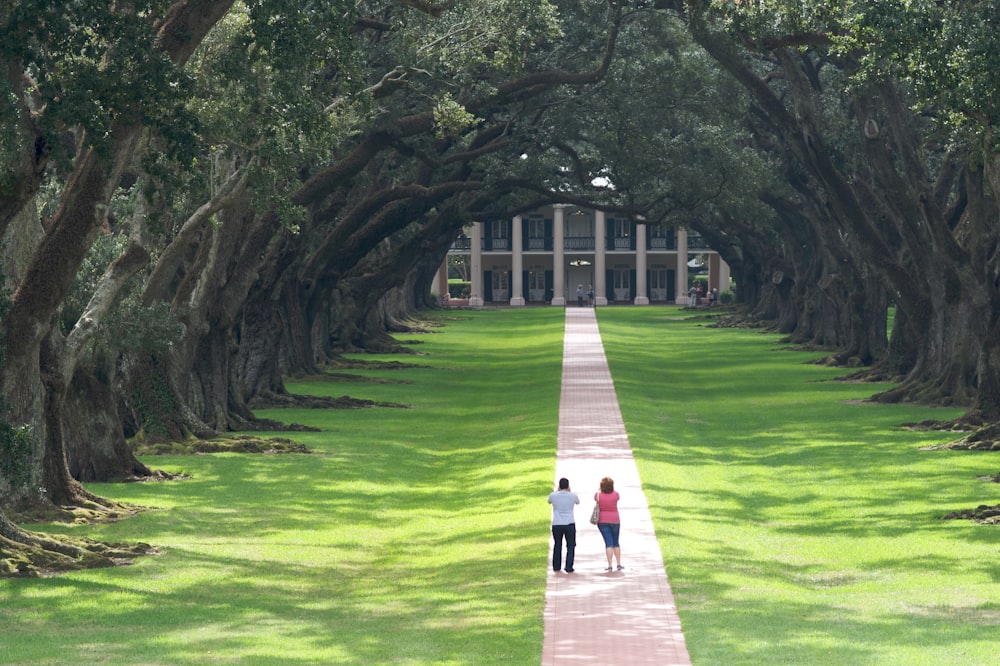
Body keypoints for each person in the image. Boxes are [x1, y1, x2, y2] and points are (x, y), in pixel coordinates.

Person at [548, 477, 580, 573]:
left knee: (557, 545)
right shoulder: (572, 496)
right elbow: (578, 502)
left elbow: (549, 501)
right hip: (569, 523)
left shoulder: (553, 495)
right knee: (570, 545)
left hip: (557, 523)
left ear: (559, 485)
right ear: (568, 486)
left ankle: (556, 566)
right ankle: (569, 566)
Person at [595, 476, 623, 571]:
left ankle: (610, 565)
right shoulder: (616, 494)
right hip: (615, 520)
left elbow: (596, 499)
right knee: (616, 542)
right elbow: (617, 498)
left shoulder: (598, 495)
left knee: (608, 543)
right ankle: (618, 563)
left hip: (602, 521)